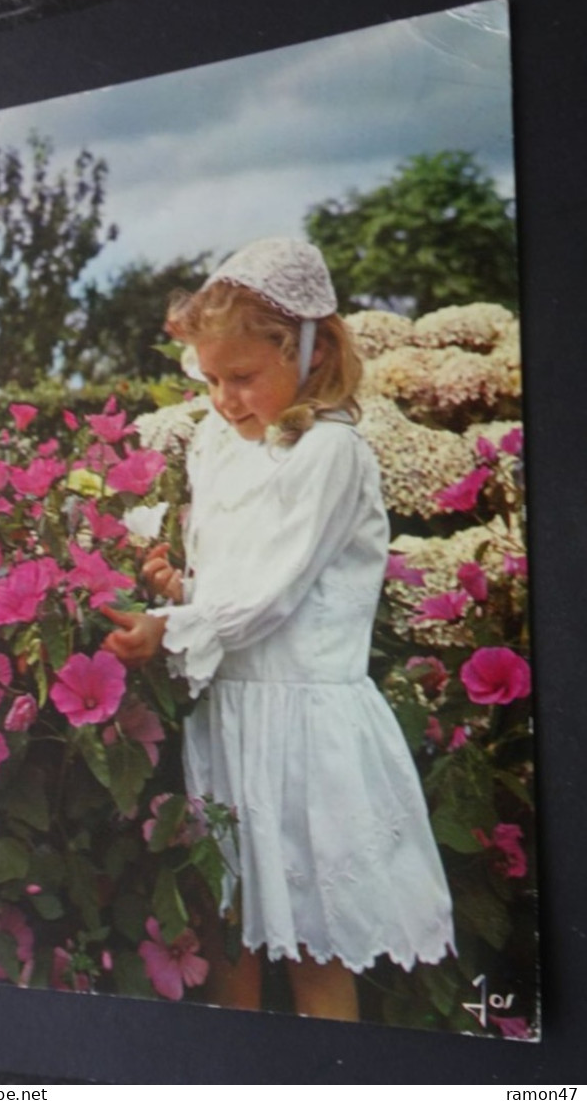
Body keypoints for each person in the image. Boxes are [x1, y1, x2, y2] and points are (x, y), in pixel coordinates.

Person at [101, 237, 455, 1020]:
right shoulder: (219, 448)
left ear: (310, 351)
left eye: (243, 378)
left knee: (317, 948)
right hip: (232, 718)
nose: (224, 399)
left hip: (305, 734)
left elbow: (276, 591)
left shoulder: (330, 452)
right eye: (210, 378)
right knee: (231, 935)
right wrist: (183, 591)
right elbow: (237, 586)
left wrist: (172, 624)